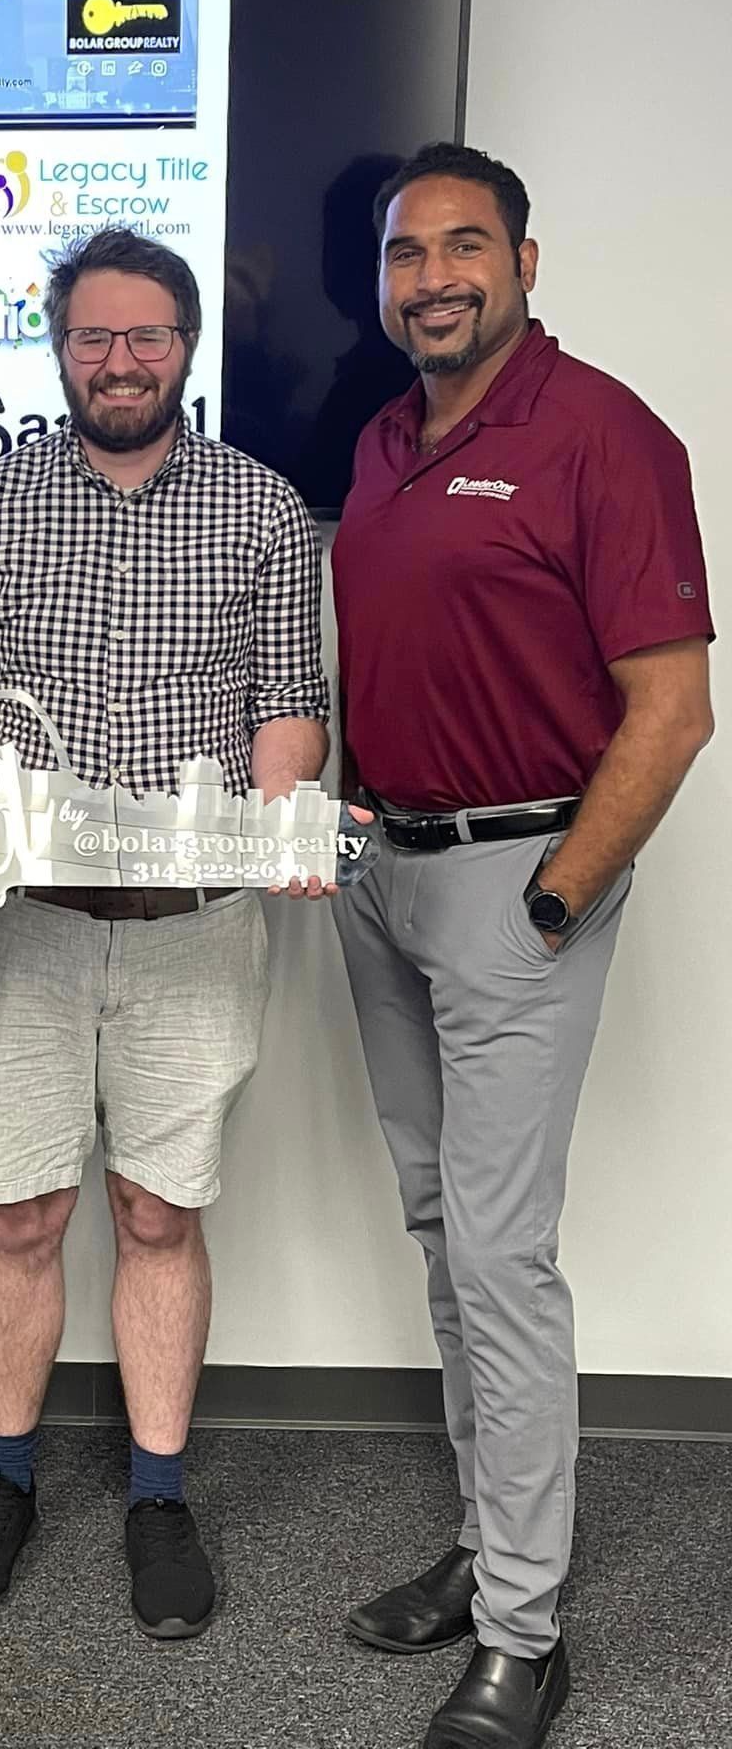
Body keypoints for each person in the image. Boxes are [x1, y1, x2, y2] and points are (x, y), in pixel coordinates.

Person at [332, 143, 713, 1749]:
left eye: (464, 246)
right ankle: (493, 1545)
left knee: (501, 1259)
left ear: (525, 264)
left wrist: (556, 898)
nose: (433, 279)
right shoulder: (382, 442)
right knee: (443, 1234)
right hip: (387, 877)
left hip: (518, 881)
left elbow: (674, 709)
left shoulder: (605, 434)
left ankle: (524, 1633)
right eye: (406, 253)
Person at [0, 226, 333, 1639]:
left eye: (146, 334)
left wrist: (279, 830)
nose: (119, 360)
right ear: (59, 349)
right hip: (24, 926)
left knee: (160, 1210)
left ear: (187, 346)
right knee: (19, 1210)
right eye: (92, 335)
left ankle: (158, 1494)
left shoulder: (263, 506)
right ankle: (5, 1479)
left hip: (194, 926)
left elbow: (288, 705)